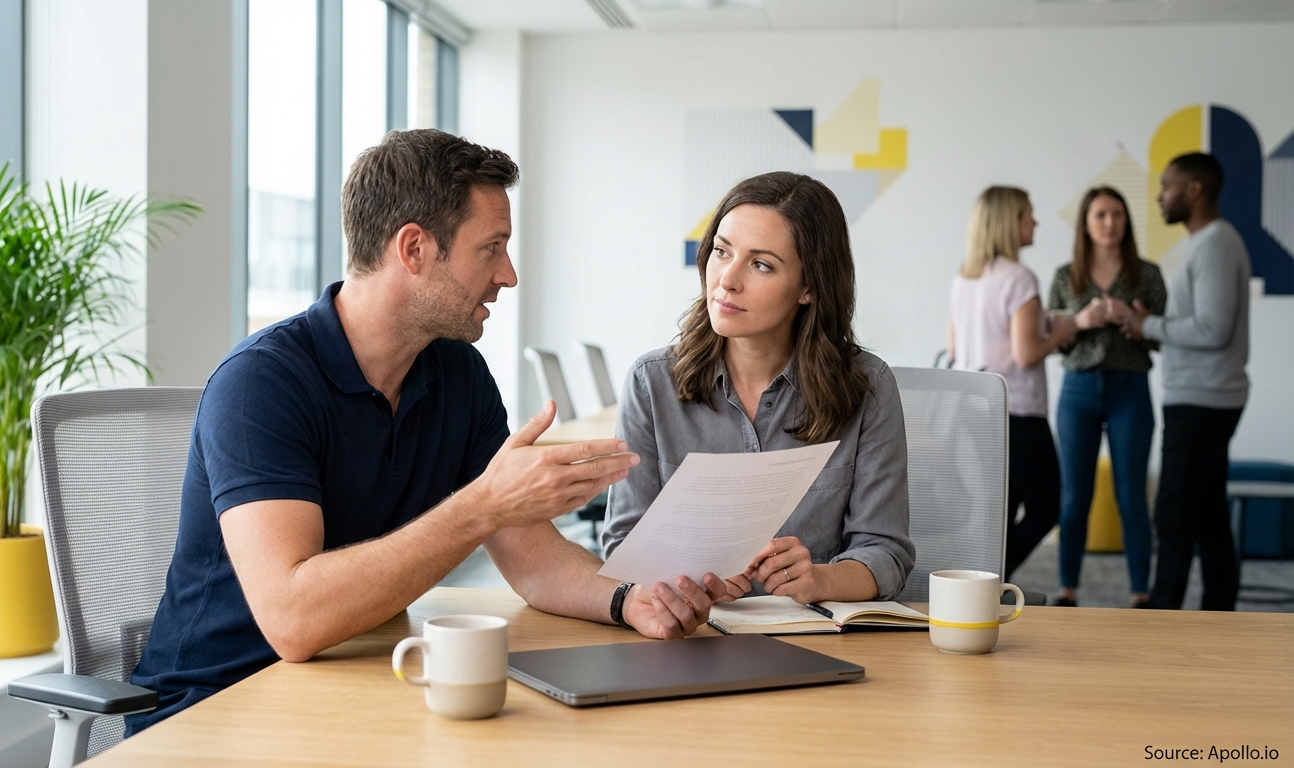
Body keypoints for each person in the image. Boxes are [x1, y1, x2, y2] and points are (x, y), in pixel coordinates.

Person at [127, 130, 730, 734]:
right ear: (414, 248)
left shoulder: (454, 371)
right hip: (215, 709)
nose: (509, 275)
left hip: (351, 686)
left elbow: (537, 561)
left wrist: (631, 600)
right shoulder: (261, 384)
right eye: (491, 248)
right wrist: (484, 504)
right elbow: (292, 621)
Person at [600, 171, 915, 604]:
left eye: (761, 264)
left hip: (813, 639)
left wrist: (820, 580)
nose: (727, 280)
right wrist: (689, 579)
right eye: (721, 251)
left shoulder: (869, 386)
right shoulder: (651, 382)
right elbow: (622, 547)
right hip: (689, 640)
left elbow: (886, 553)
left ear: (809, 286)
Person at [1107, 153, 1250, 611]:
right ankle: (1218, 610)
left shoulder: (1214, 245)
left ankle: (1164, 610)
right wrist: (1151, 323)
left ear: (1194, 190)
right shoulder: (1208, 243)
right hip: (1203, 395)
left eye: (1167, 186)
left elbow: (1212, 329)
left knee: (1172, 510)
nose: (1159, 195)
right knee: (1206, 513)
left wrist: (1147, 325)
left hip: (1203, 399)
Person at [947, 186, 1076, 580]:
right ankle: (989, 581)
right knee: (1047, 508)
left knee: (999, 513)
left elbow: (954, 348)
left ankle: (986, 585)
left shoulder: (964, 279)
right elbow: (1025, 354)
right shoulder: (1020, 279)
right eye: (1028, 214)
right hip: (1017, 410)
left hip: (973, 411)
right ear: (1009, 221)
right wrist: (1064, 331)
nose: (1035, 221)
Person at [1047, 187, 1166, 608]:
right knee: (1075, 495)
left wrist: (1134, 323)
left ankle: (1140, 592)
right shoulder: (1066, 276)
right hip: (1078, 389)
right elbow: (1053, 340)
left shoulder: (1147, 274)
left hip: (1129, 389)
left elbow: (1158, 338)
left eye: (1117, 214)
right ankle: (1067, 588)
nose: (1110, 222)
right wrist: (1080, 321)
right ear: (1086, 222)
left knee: (1132, 495)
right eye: (1101, 214)